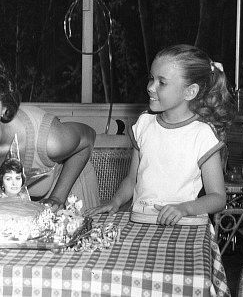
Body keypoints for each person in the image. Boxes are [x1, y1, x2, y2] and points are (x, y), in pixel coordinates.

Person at [0, 50, 100, 212]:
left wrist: (58, 197)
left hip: (70, 191)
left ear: (4, 107)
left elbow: (88, 138)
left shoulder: (49, 140)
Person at [98, 44, 235, 225]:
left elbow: (217, 197)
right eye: (151, 79)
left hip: (184, 226)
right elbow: (132, 179)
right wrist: (115, 202)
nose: (150, 87)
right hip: (142, 221)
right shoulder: (144, 125)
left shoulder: (202, 135)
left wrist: (184, 208)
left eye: (161, 83)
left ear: (190, 91)